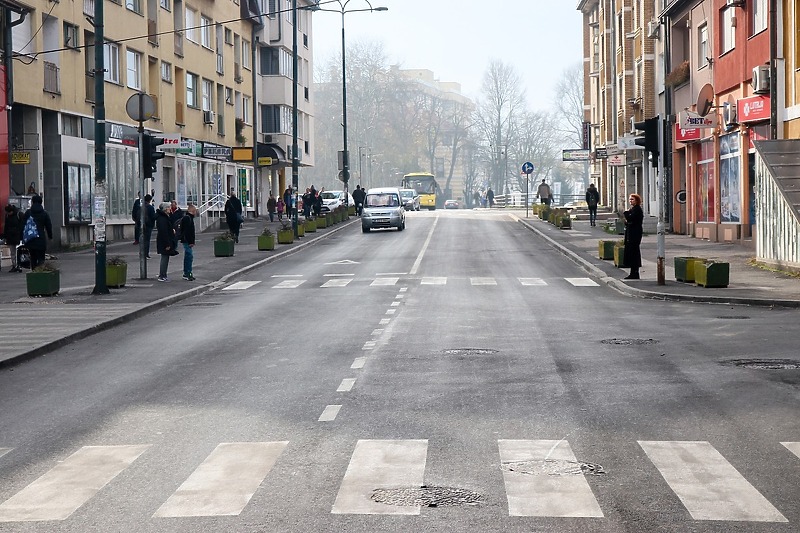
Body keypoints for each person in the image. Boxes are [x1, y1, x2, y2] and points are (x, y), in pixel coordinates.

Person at [22, 195, 53, 270]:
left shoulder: (28, 213)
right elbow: (49, 226)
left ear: (32, 202)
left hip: (30, 239)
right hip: (41, 239)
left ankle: (34, 273)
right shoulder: (44, 213)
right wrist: (50, 236)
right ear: (41, 202)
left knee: (33, 258)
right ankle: (40, 274)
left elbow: (22, 225)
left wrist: (21, 238)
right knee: (41, 259)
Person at [622, 193, 644, 280]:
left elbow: (631, 219)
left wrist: (626, 214)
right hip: (631, 233)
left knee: (634, 252)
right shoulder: (633, 209)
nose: (630, 201)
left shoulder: (637, 209)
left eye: (632, 199)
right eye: (630, 199)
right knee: (631, 252)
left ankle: (635, 273)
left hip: (635, 234)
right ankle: (633, 272)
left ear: (637, 201)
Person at [155, 202, 174, 282]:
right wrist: (167, 243)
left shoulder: (164, 217)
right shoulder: (162, 219)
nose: (170, 209)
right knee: (165, 257)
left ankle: (163, 274)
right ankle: (162, 275)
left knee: (165, 257)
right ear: (165, 209)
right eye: (169, 207)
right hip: (164, 241)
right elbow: (163, 231)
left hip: (164, 240)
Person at [2, 204, 24, 272]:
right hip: (11, 236)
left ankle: (18, 265)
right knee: (13, 252)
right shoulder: (8, 215)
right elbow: (6, 226)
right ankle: (15, 265)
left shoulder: (19, 214)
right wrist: (5, 236)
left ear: (11, 211)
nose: (7, 213)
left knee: (17, 251)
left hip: (17, 236)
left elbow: (22, 225)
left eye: (8, 212)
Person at [180, 203, 197, 281]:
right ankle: (187, 273)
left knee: (188, 257)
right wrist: (190, 241)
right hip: (187, 241)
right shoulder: (188, 218)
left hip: (187, 240)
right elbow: (188, 232)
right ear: (193, 211)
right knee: (189, 257)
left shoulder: (188, 218)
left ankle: (187, 273)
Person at [142, 194, 156, 259]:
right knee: (147, 240)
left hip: (141, 225)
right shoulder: (150, 207)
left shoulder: (141, 206)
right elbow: (153, 217)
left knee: (142, 239)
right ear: (150, 200)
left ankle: (142, 253)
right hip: (148, 225)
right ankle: (146, 254)